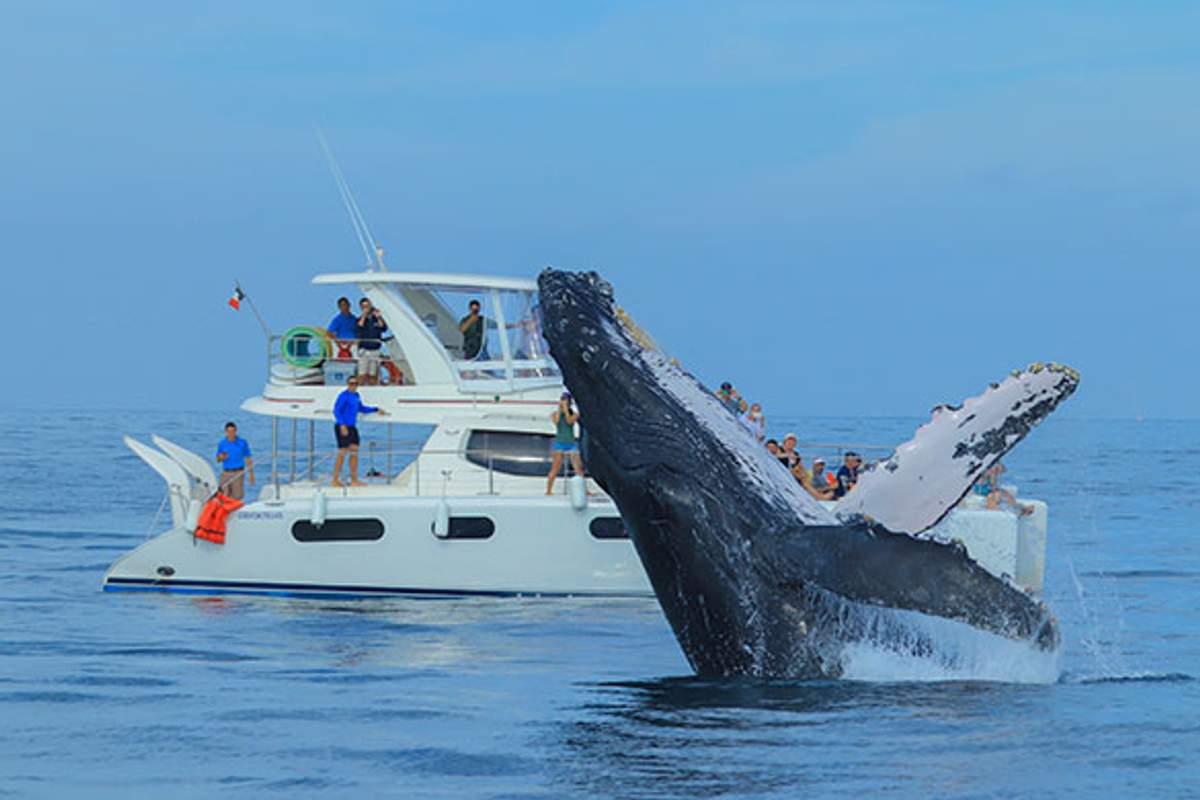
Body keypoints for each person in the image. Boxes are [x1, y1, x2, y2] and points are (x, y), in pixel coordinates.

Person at [331, 376, 388, 487]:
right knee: (342, 453)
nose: (353, 386)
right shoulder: (344, 396)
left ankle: (354, 480)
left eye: (355, 384)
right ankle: (335, 480)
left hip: (352, 426)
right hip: (343, 426)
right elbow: (336, 410)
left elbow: (361, 408)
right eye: (351, 383)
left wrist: (375, 409)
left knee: (354, 451)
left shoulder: (356, 396)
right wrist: (342, 424)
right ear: (347, 384)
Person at [547, 392, 586, 495]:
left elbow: (569, 421)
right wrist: (561, 410)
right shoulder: (555, 414)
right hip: (559, 443)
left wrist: (566, 410)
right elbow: (556, 422)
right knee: (555, 468)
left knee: (578, 469)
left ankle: (585, 490)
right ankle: (548, 490)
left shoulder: (574, 414)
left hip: (571, 443)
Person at [215, 421, 254, 501]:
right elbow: (218, 459)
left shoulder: (242, 443)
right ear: (225, 432)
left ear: (236, 431)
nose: (231, 434)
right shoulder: (222, 444)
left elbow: (248, 458)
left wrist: (251, 474)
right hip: (226, 472)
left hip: (238, 472)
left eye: (233, 431)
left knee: (237, 496)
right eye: (229, 431)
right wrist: (221, 457)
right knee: (223, 495)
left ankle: (235, 512)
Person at [355, 297, 388, 385]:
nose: (366, 308)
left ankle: (372, 390)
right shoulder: (360, 319)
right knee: (362, 374)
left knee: (373, 374)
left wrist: (379, 317)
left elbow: (383, 328)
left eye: (367, 306)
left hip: (375, 350)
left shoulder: (376, 319)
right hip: (364, 350)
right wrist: (364, 315)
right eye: (364, 306)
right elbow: (359, 327)